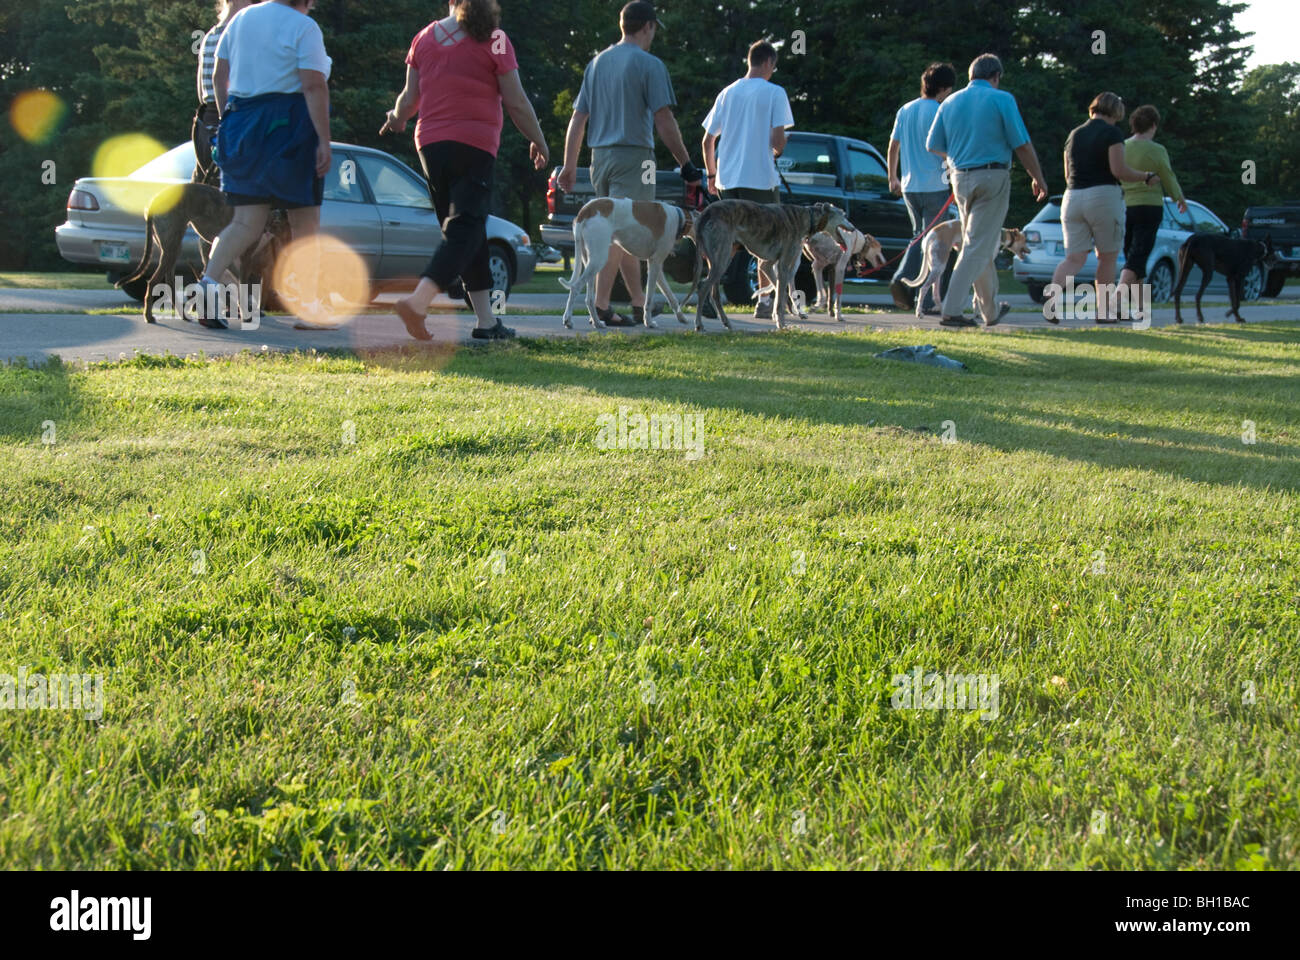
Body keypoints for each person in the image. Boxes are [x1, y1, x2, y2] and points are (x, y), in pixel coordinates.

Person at [383, 0, 550, 341]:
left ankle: (486, 322)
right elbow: (516, 100)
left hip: (430, 146)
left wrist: (397, 118)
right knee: (464, 226)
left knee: (468, 230)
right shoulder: (496, 38)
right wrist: (539, 140)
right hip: (473, 144)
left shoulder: (424, 38)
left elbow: (409, 98)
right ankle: (418, 301)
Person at [557, 1, 702, 327]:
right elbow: (664, 119)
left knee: (623, 233)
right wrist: (687, 164)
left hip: (600, 158)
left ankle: (640, 303)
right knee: (618, 234)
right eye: (654, 30)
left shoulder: (596, 63)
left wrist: (568, 164)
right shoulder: (649, 65)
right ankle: (603, 305)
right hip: (636, 158)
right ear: (648, 26)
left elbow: (578, 119)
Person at [200, 0, 332, 329]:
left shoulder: (241, 19)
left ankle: (208, 289)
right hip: (290, 129)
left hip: (241, 123)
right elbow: (313, 85)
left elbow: (219, 76)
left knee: (245, 222)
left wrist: (230, 116)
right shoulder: (305, 28)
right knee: (305, 223)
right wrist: (324, 140)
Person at [926, 53, 1049, 328]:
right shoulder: (1002, 99)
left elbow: (932, 144)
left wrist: (956, 156)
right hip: (992, 174)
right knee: (977, 245)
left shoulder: (950, 102)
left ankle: (990, 311)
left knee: (980, 242)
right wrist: (1037, 177)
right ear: (996, 76)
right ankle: (952, 309)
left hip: (959, 177)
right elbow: (1022, 145)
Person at [701, 39, 794, 319]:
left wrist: (711, 173)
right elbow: (778, 139)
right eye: (773, 67)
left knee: (727, 242)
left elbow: (708, 140)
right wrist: (778, 148)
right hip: (761, 178)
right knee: (767, 240)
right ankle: (765, 301)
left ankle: (708, 291)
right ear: (768, 62)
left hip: (727, 179)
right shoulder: (775, 93)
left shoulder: (727, 93)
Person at [1050, 92, 1158, 323]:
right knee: (1107, 258)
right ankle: (1103, 311)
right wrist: (1145, 176)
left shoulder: (1074, 134)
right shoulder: (1112, 133)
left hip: (1072, 196)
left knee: (1074, 258)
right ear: (1115, 112)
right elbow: (1119, 170)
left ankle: (1051, 303)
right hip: (1103, 196)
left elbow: (1068, 173)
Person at [887, 61, 956, 316]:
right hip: (934, 185)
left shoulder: (905, 110)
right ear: (945, 88)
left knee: (919, 235)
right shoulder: (941, 111)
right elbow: (947, 149)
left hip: (909, 185)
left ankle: (918, 293)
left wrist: (892, 176)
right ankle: (908, 281)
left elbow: (893, 146)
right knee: (935, 242)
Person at [1119, 104, 1185, 296]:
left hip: (1125, 206)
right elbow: (1167, 175)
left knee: (1133, 256)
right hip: (1149, 207)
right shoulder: (1157, 150)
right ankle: (1115, 301)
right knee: (1137, 257)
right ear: (1154, 125)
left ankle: (1139, 306)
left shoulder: (1122, 146)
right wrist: (1178, 197)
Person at [192, 0, 252, 186]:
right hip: (230, 117)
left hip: (205, 120)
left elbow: (202, 91)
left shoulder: (210, 35)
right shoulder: (240, 34)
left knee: (206, 190)